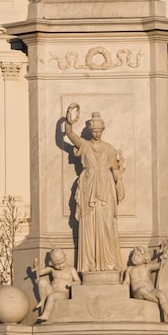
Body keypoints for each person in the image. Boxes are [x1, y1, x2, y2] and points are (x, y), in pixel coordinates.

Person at [61, 104, 124, 273]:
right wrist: (69, 121)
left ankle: (109, 263)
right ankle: (89, 264)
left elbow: (115, 170)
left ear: (102, 130)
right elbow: (68, 134)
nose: (96, 133)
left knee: (107, 224)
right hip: (88, 185)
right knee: (88, 225)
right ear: (90, 130)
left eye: (99, 131)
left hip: (106, 185)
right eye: (94, 131)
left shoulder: (109, 148)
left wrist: (119, 185)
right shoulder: (84, 145)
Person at [34, 248, 78, 322]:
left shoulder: (71, 269)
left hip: (63, 293)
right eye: (57, 265)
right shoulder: (52, 269)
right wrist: (36, 268)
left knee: (52, 296)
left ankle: (45, 314)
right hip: (52, 291)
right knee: (42, 282)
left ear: (65, 258)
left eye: (62, 263)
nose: (60, 266)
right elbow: (39, 273)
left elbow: (78, 280)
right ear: (51, 263)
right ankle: (42, 300)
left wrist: (73, 283)